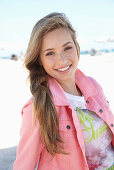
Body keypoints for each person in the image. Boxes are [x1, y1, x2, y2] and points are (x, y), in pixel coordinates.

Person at [13, 12, 114, 170]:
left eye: (67, 48)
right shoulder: (36, 108)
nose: (62, 60)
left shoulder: (93, 86)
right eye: (50, 53)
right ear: (39, 60)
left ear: (76, 47)